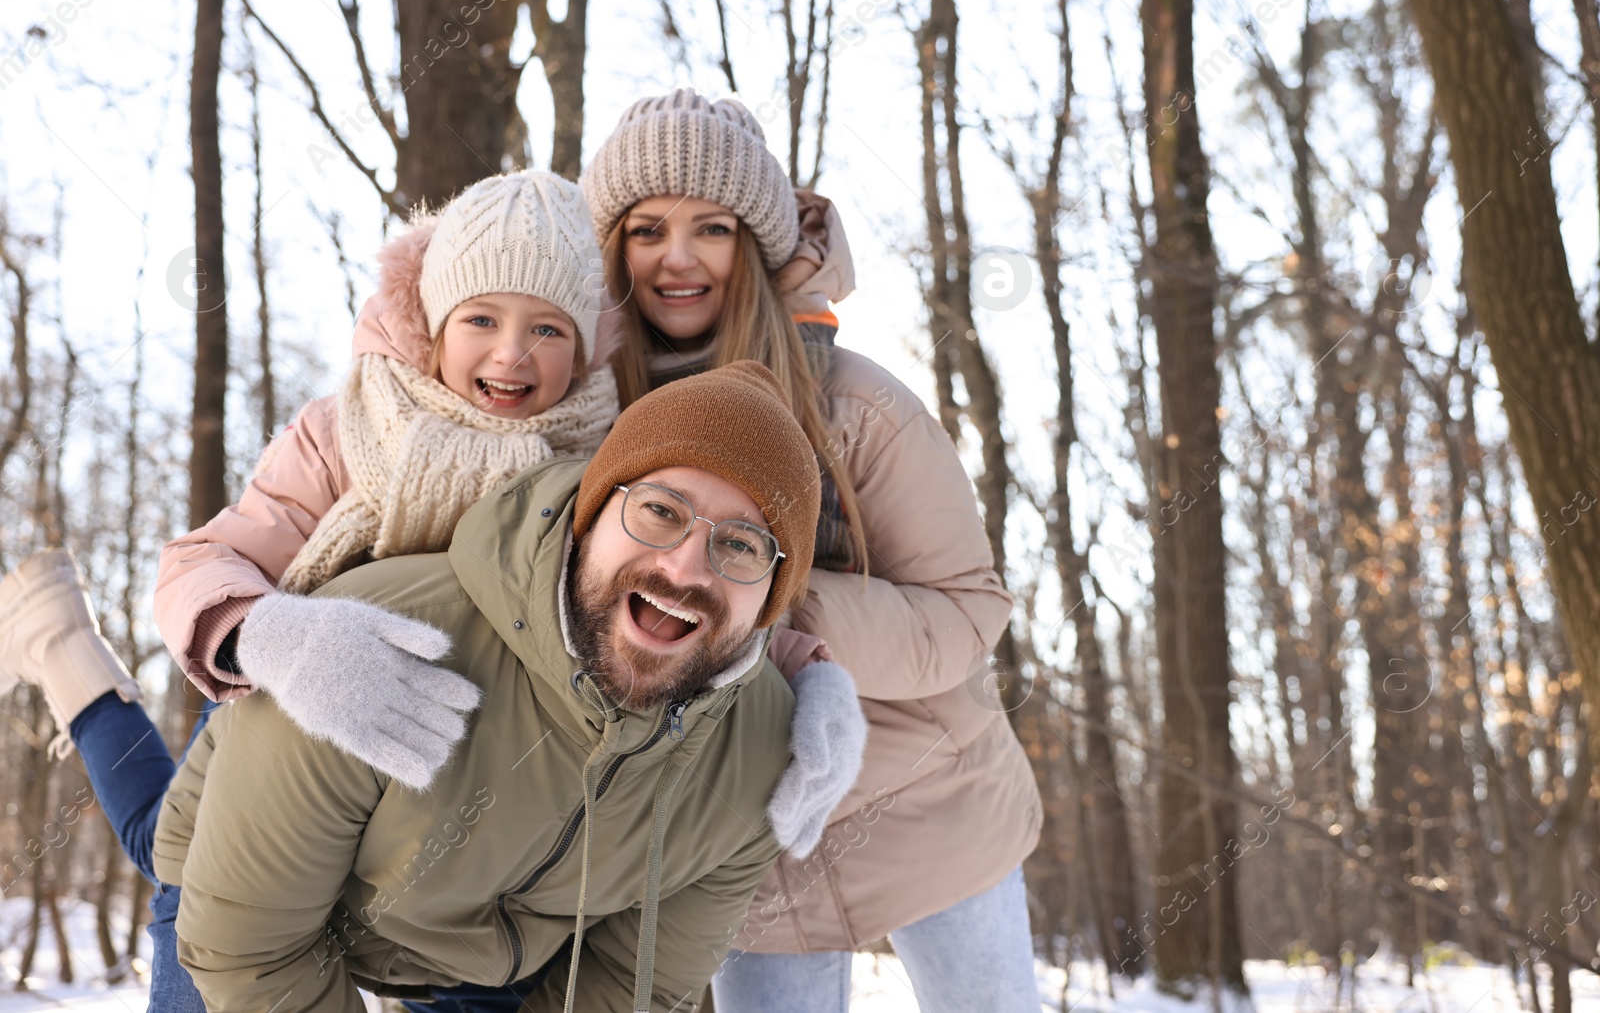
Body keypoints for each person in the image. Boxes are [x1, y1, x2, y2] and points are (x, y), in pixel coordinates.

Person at [0, 169, 620, 1010]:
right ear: (435, 325)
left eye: (546, 327)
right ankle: (60, 647)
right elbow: (203, 563)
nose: (511, 352)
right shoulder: (350, 428)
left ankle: (59, 642)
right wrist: (282, 637)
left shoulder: (604, 470)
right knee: (177, 862)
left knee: (158, 841)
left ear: (583, 348)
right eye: (481, 318)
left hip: (460, 827)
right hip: (286, 750)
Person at [151, 360, 850, 1012]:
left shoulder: (763, 760)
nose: (687, 567)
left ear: (771, 596)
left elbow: (634, 984)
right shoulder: (375, 647)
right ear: (593, 513)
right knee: (147, 832)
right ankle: (80, 678)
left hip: (485, 965)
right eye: (660, 511)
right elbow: (249, 949)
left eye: (741, 544)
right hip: (239, 909)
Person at [582, 90, 1044, 1011]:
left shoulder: (857, 408)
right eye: (646, 228)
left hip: (929, 809)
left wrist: (772, 602)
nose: (677, 258)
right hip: (739, 847)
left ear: (752, 246)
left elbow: (967, 609)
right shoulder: (591, 418)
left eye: (711, 228)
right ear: (610, 248)